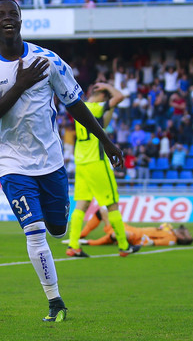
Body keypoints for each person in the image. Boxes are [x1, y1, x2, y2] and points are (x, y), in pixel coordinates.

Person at [0, 0, 124, 323]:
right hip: (11, 161)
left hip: (51, 161)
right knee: (35, 231)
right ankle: (55, 301)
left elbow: (75, 103)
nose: (8, 19)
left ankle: (58, 234)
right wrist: (20, 85)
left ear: (22, 20)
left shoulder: (48, 60)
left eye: (14, 14)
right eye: (1, 15)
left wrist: (107, 141)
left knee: (57, 228)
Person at [66, 82, 139, 258]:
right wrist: (107, 85)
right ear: (101, 95)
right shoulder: (96, 107)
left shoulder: (81, 109)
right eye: (106, 96)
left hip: (81, 162)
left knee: (82, 204)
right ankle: (124, 245)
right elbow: (120, 97)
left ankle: (73, 245)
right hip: (96, 162)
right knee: (112, 204)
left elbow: (102, 125)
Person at [77, 209, 193, 247]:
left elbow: (152, 242)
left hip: (133, 235)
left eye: (185, 233)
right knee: (103, 211)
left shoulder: (171, 240)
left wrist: (139, 241)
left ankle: (90, 242)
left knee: (120, 234)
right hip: (130, 228)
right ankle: (82, 234)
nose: (184, 230)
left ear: (181, 237)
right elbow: (163, 226)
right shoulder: (170, 231)